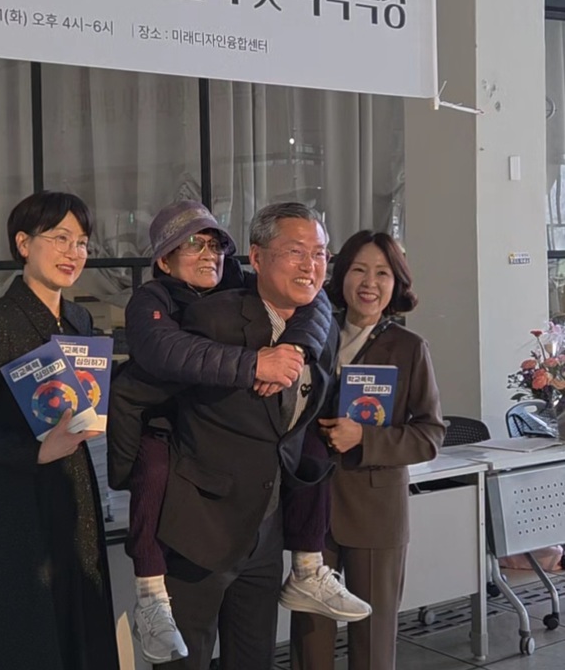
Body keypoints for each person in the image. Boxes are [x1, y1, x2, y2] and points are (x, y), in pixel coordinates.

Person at [108, 200, 369, 666]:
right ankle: (149, 594)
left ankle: (308, 569)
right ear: (258, 256)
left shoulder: (315, 322)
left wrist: (296, 347)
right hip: (199, 530)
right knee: (186, 659)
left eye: (319, 253)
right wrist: (252, 365)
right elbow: (143, 377)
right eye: (296, 251)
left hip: (264, 530)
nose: (310, 265)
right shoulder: (195, 314)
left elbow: (316, 306)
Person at [0, 191, 120, 670]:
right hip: (12, 500)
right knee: (23, 628)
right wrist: (34, 452)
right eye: (60, 238)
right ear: (23, 243)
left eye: (82, 242)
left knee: (76, 611)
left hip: (72, 487)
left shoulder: (78, 318)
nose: (73, 252)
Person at [289, 230, 446, 670]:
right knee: (310, 642)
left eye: (382, 273)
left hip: (376, 514)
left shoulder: (410, 349)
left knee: (373, 645)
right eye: (359, 270)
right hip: (313, 509)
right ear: (341, 276)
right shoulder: (313, 335)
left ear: (397, 283)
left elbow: (430, 434)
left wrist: (366, 439)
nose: (369, 283)